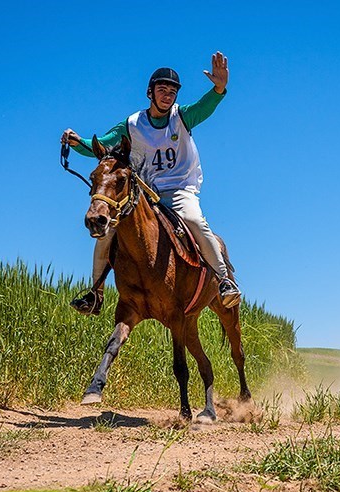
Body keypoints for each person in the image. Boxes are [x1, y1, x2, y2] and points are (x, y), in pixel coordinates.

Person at [61, 51, 241, 316]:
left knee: (195, 222)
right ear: (150, 92)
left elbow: (205, 107)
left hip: (180, 190)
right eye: (162, 89)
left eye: (172, 91)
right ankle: (95, 294)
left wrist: (219, 88)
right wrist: (77, 142)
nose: (167, 95)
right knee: (107, 233)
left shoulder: (182, 117)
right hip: (144, 193)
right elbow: (99, 146)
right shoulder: (133, 124)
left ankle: (224, 281)